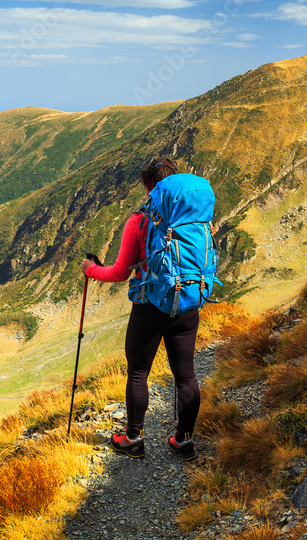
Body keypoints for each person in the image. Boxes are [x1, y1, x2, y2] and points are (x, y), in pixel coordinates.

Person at [80, 157, 201, 460]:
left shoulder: (140, 221)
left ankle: (132, 438)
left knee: (138, 373)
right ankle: (184, 441)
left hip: (150, 306)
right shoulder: (195, 218)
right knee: (185, 375)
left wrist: (90, 270)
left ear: (149, 186)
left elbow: (120, 273)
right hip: (187, 303)